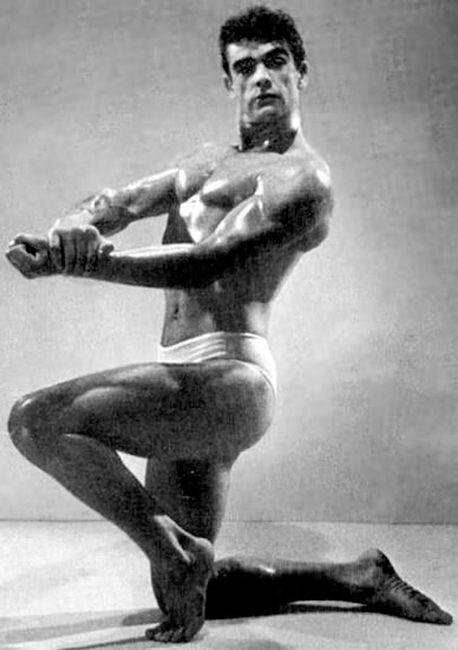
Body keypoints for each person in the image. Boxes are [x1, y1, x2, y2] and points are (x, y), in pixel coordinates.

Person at [6, 5, 452, 644]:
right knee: (193, 593)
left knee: (35, 420)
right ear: (229, 82)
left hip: (232, 378)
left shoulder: (303, 179)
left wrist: (81, 264)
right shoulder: (203, 162)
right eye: (245, 67)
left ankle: (176, 550)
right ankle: (357, 575)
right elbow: (117, 203)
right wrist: (71, 228)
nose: (261, 77)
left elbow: (208, 262)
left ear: (301, 72)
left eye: (276, 62)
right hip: (182, 375)